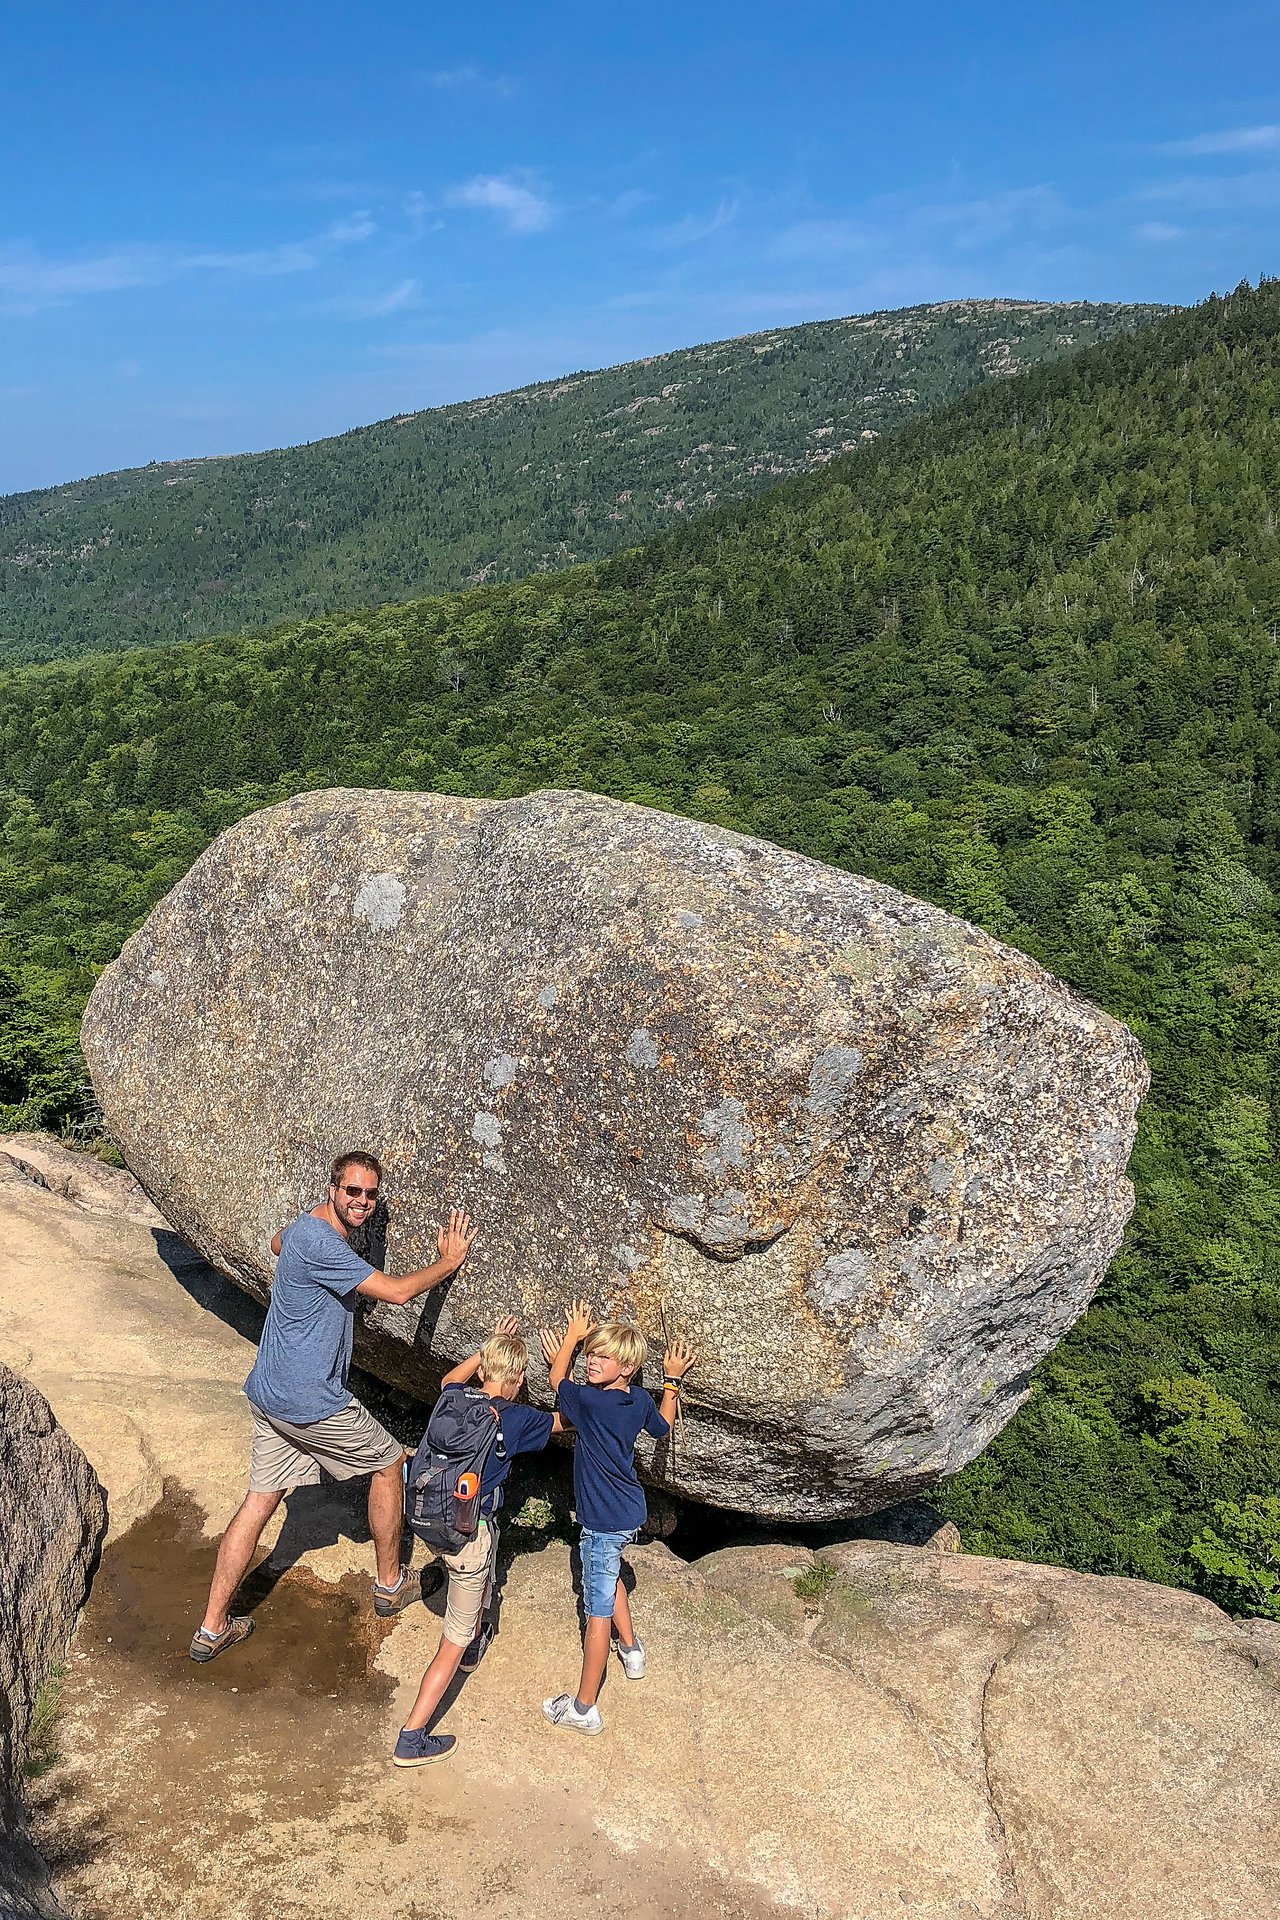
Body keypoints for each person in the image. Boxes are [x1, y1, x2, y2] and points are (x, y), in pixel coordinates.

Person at [188, 1149, 476, 1662]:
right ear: (333, 1190)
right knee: (388, 1464)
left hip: (269, 1393)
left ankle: (212, 1628)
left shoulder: (303, 1231)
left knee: (260, 1500)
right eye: (352, 1192)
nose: (362, 1201)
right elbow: (395, 1293)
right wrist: (448, 1263)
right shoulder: (324, 1244)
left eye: (370, 1193)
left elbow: (277, 1243)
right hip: (311, 1400)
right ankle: (391, 1584)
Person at [392, 1319, 563, 1766]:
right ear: (518, 1380)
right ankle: (412, 1737)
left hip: (432, 1522)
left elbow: (450, 1378)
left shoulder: (452, 1399)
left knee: (478, 1571)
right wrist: (560, 1367)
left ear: (483, 1368)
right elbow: (568, 1420)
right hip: (470, 1536)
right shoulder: (516, 1417)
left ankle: (471, 1643)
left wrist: (486, 1345)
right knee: (452, 1639)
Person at [537, 1301, 696, 1734]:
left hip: (603, 1521)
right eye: (590, 1353)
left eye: (602, 1355)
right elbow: (663, 1427)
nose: (591, 1360)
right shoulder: (640, 1399)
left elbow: (556, 1380)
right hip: (629, 1511)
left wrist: (571, 1336)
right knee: (611, 1574)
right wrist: (672, 1381)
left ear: (626, 1366)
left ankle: (584, 1708)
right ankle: (632, 1650)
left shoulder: (589, 1402)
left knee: (596, 1609)